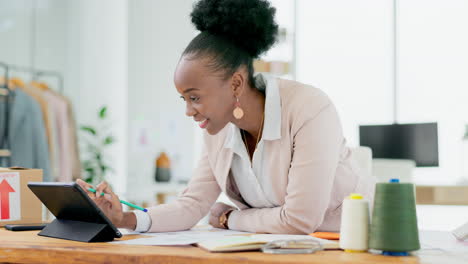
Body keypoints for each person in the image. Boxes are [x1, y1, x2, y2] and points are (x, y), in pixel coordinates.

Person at [77, 0, 375, 234]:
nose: (188, 111)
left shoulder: (308, 107)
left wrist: (230, 218)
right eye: (184, 99)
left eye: (195, 97)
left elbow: (299, 220)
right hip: (273, 249)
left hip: (345, 249)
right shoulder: (218, 131)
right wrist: (125, 218)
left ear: (235, 84)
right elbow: (192, 205)